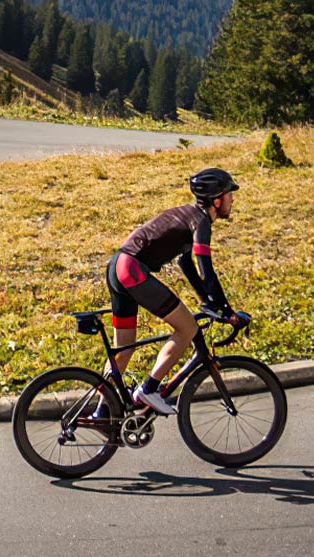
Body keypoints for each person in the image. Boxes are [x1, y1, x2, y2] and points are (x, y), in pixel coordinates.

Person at [104, 167, 247, 415]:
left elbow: (186, 264)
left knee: (124, 350)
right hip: (132, 271)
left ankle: (102, 411)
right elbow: (205, 267)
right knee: (188, 327)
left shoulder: (186, 215)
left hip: (118, 268)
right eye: (228, 194)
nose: (232, 199)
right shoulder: (200, 221)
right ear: (216, 200)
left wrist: (209, 301)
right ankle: (149, 388)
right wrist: (226, 310)